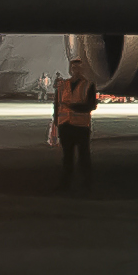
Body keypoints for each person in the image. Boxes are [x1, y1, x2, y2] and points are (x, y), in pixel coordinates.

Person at [50, 46, 103, 194]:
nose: (76, 70)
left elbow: (91, 105)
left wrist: (72, 107)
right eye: (74, 67)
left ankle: (86, 185)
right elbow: (57, 106)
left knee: (84, 157)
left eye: (79, 68)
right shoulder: (62, 85)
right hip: (65, 126)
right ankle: (66, 185)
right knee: (67, 158)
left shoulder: (88, 85)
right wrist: (55, 125)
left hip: (81, 126)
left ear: (83, 70)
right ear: (70, 69)